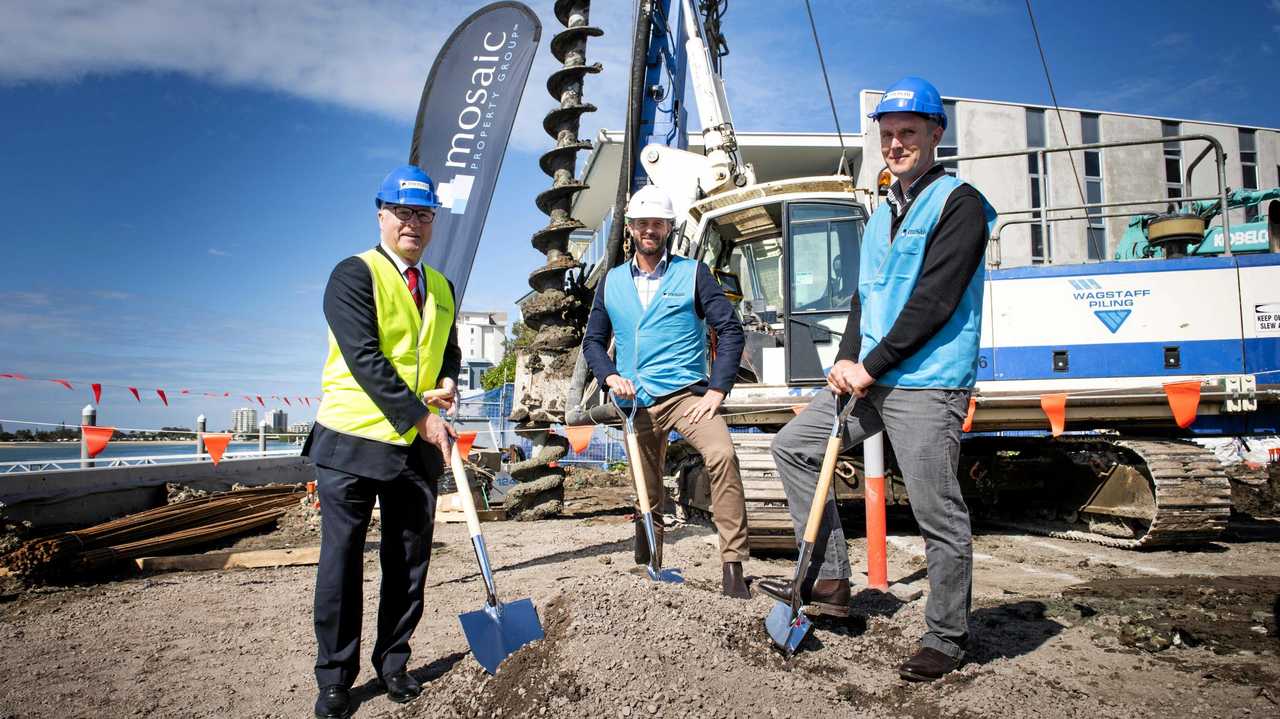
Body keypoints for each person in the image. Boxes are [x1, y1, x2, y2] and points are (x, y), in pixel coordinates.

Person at [759, 76, 996, 681]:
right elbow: (868, 299)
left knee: (935, 507)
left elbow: (934, 301)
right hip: (872, 377)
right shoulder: (882, 211)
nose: (895, 144)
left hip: (927, 382)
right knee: (794, 448)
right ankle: (833, 580)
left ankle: (945, 635)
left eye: (908, 133)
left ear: (935, 134)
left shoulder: (960, 204)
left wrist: (872, 365)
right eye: (888, 134)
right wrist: (844, 363)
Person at [303, 165, 462, 718]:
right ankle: (334, 679)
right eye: (402, 213)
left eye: (422, 214)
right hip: (350, 441)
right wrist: (421, 417)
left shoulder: (440, 287)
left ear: (432, 221)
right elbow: (365, 358)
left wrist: (448, 383)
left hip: (414, 450)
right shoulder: (352, 275)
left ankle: (392, 662)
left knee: (408, 560)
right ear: (381, 215)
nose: (412, 224)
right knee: (341, 564)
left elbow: (447, 352)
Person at [581, 183, 752, 599]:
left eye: (657, 223)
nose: (649, 230)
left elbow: (729, 328)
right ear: (632, 230)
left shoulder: (693, 274)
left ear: (669, 228)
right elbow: (593, 342)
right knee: (647, 486)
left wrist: (717, 391)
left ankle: (732, 565)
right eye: (642, 223)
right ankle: (651, 560)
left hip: (686, 396)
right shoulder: (613, 282)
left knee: (722, 454)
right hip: (634, 400)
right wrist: (608, 377)